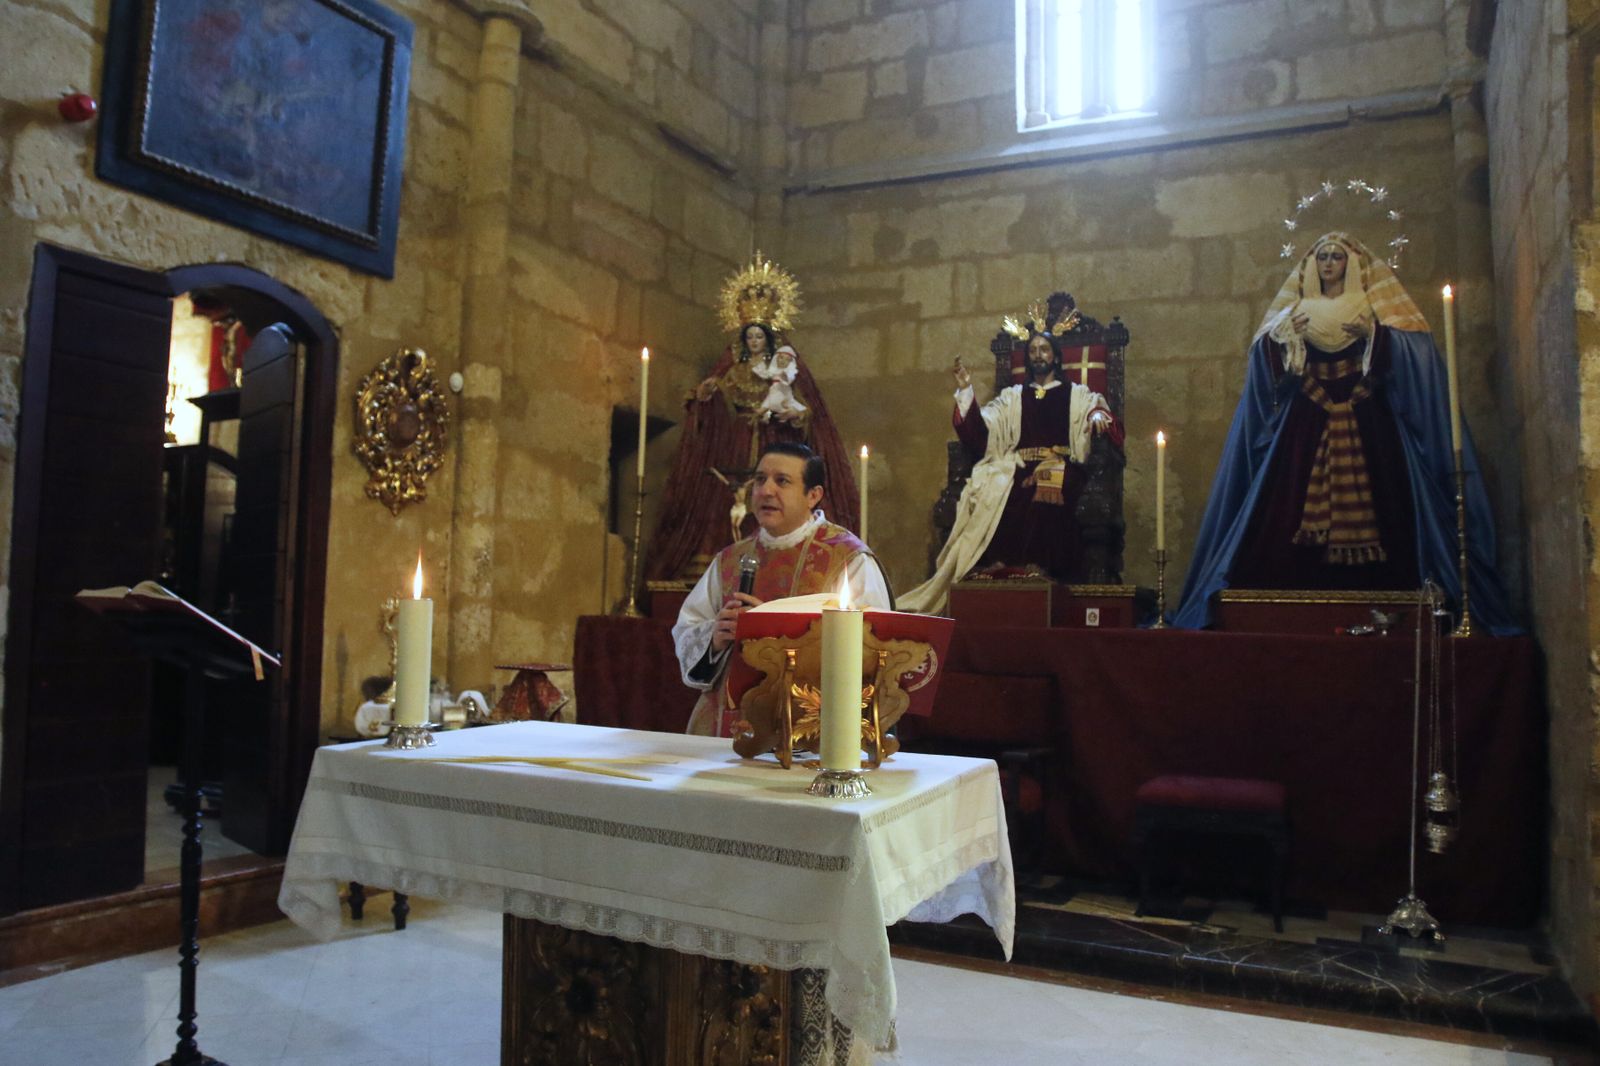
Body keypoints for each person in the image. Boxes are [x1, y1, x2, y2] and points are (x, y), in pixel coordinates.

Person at [1174, 231, 1517, 632]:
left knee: (1389, 492)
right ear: (1311, 266)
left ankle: (1389, 591)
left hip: (1366, 410)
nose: (1329, 264)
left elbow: (1413, 353)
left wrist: (1375, 336)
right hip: (1308, 410)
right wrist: (1286, 339)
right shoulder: (1298, 310)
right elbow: (1265, 365)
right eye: (1322, 258)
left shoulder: (1370, 307)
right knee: (1282, 504)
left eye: (1337, 257)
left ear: (1351, 264)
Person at [646, 254, 859, 583]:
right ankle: (719, 559)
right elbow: (715, 399)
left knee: (773, 490)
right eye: (749, 337)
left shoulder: (785, 369)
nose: (754, 342)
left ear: (769, 339)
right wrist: (706, 396)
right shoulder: (735, 370)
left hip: (776, 442)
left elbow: (807, 414)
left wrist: (790, 415)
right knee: (727, 498)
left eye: (760, 337)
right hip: (737, 444)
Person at [897, 319, 1121, 615]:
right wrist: (966, 391)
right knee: (999, 493)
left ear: (1055, 355)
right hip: (1017, 465)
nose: (1038, 355)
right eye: (1033, 350)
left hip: (1061, 463)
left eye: (1044, 349)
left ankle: (1043, 569)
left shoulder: (1077, 395)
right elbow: (980, 432)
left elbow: (1101, 414)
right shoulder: (1012, 398)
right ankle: (1001, 569)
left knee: (1050, 490)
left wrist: (1095, 417)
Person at [674, 441, 891, 737]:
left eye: (782, 481)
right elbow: (688, 628)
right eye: (760, 479)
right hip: (726, 730)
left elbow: (875, 648)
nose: (766, 491)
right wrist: (714, 638)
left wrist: (775, 637)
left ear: (813, 495)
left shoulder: (848, 559)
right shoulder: (729, 560)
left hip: (812, 727)